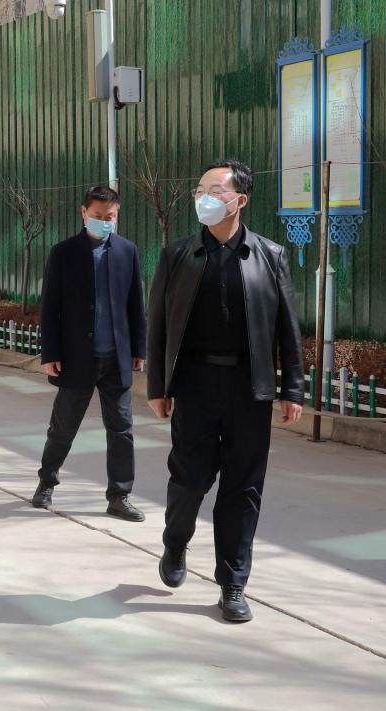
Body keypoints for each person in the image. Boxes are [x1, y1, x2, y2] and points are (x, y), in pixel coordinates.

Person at [147, 159, 303, 622]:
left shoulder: (269, 255)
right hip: (195, 385)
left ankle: (233, 584)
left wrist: (292, 389)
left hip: (248, 388)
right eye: (200, 190)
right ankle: (176, 543)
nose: (204, 198)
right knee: (190, 479)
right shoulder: (177, 255)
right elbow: (158, 326)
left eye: (215, 190)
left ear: (240, 200)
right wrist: (158, 386)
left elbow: (287, 328)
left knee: (243, 487)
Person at [32, 186, 147, 521]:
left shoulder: (127, 251)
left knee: (122, 430)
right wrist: (50, 352)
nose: (104, 221)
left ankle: (120, 496)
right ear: (84, 213)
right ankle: (46, 483)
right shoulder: (63, 253)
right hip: (76, 357)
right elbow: (49, 307)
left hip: (115, 359)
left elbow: (135, 304)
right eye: (98, 216)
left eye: (110, 217)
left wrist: (138, 349)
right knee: (62, 428)